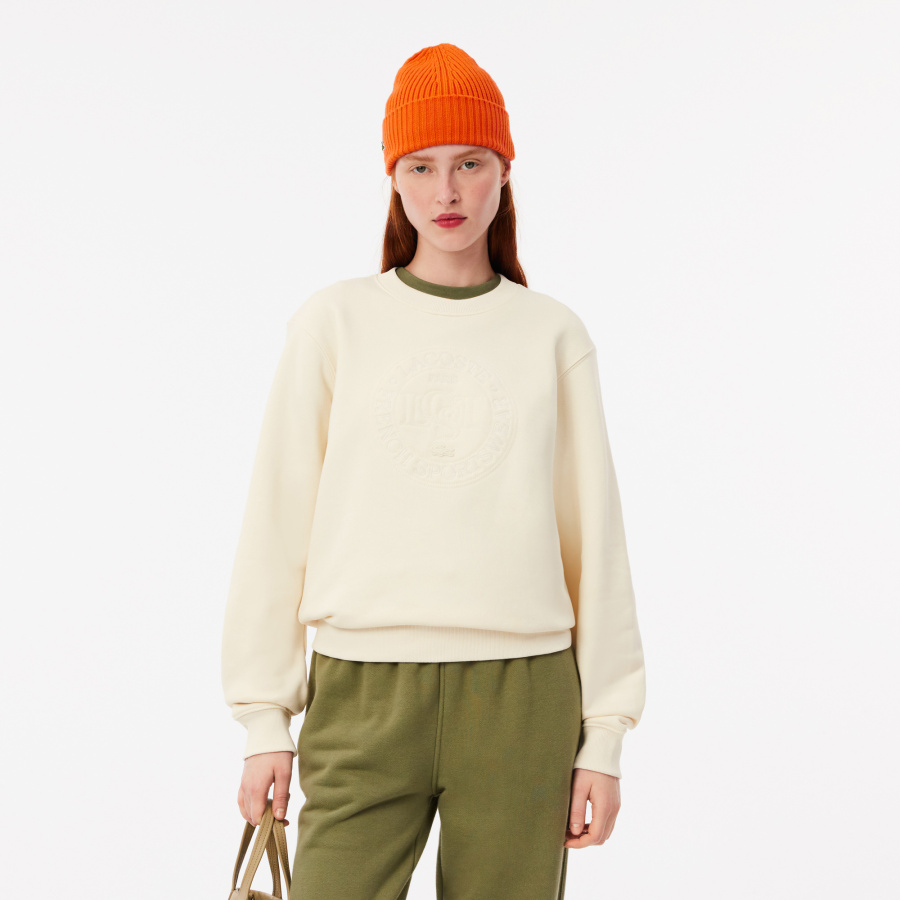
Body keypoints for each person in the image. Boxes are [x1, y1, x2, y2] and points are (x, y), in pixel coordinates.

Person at [221, 42, 646, 899]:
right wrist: (265, 719)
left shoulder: (552, 335)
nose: (446, 192)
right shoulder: (335, 323)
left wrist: (604, 735)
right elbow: (278, 520)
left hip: (523, 698)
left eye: (470, 164)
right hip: (362, 693)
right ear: (393, 177)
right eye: (421, 166)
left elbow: (593, 539)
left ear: (505, 172)